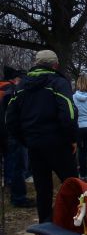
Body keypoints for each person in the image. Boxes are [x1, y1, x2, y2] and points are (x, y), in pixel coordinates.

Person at [6, 50, 79, 223]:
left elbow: (10, 118)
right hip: (58, 142)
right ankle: (79, 222)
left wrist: (25, 139)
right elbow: (68, 113)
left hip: (34, 144)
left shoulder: (21, 86)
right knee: (73, 185)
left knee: (43, 188)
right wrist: (72, 138)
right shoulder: (58, 82)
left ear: (36, 64)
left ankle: (45, 226)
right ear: (55, 65)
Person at [0, 66, 35, 208]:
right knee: (18, 165)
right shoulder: (11, 93)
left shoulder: (4, 91)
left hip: (5, 132)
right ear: (15, 79)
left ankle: (12, 188)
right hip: (12, 133)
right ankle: (18, 197)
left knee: (13, 163)